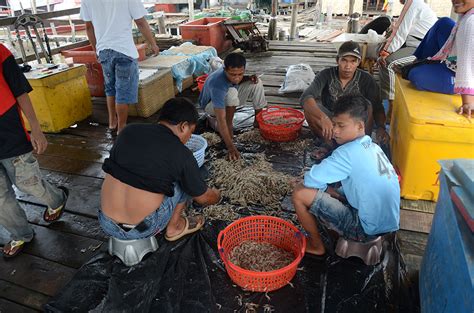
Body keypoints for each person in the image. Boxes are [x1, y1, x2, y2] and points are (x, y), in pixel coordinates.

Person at [292, 95, 400, 256]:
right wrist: (329, 190)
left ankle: (316, 246)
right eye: (334, 124)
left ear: (359, 126)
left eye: (340, 126)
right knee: (332, 186)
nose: (334, 130)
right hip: (387, 224)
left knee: (299, 192)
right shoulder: (372, 146)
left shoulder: (346, 153)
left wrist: (322, 188)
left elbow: (310, 179)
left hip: (364, 230)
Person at [100, 98, 221, 242]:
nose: (189, 138)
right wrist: (217, 196)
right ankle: (174, 228)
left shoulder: (128, 131)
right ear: (183, 126)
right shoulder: (181, 153)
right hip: (142, 228)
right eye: (191, 131)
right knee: (183, 183)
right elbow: (203, 198)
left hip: (105, 222)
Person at [0, 43, 69, 258]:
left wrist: (36, 129)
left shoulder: (1, 52)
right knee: (0, 196)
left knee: (27, 183)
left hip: (10, 134)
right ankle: (20, 233)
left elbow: (21, 92)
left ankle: (56, 199)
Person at [80, 0, 160, 135]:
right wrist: (153, 44)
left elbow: (88, 27)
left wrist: (96, 49)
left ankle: (112, 122)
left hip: (104, 50)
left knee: (110, 88)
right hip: (124, 50)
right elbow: (140, 22)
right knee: (123, 91)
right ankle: (121, 128)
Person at [301, 41, 388, 159]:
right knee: (310, 107)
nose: (348, 66)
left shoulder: (367, 79)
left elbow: (377, 107)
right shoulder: (326, 75)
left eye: (353, 61)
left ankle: (360, 147)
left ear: (358, 62)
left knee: (368, 105)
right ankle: (328, 145)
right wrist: (323, 117)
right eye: (344, 60)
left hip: (352, 126)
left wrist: (381, 128)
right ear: (337, 60)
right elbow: (306, 97)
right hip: (331, 122)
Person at [409, 1, 474, 118]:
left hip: (465, 74)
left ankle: (462, 88)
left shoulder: (471, 22)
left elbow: (466, 64)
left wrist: (468, 102)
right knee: (443, 23)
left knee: (415, 75)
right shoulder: (466, 14)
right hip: (456, 60)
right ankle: (420, 61)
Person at [199, 53, 267, 160]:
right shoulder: (218, 84)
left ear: (244, 69)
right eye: (233, 74)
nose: (237, 78)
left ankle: (257, 122)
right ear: (224, 69)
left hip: (229, 96)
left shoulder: (235, 76)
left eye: (240, 74)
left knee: (256, 82)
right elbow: (221, 119)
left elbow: (236, 80)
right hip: (210, 106)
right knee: (231, 93)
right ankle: (229, 127)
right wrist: (231, 147)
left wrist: (247, 78)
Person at [378, 0, 437, 117]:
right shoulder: (415, 4)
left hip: (423, 48)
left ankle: (390, 107)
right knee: (383, 54)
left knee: (387, 63)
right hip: (415, 44)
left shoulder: (413, 3)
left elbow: (400, 32)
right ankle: (391, 98)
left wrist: (385, 52)